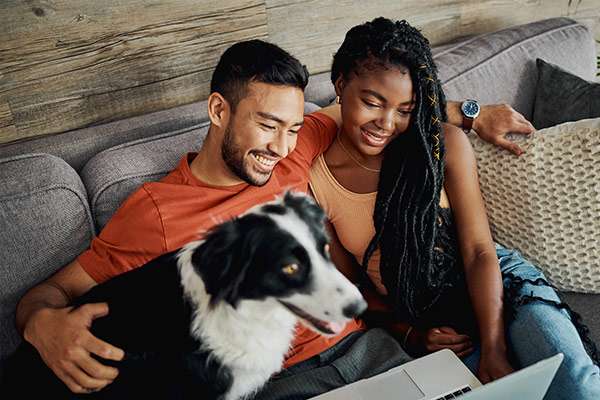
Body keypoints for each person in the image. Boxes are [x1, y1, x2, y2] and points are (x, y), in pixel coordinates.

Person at [12, 38, 533, 397]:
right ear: (219, 111)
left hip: (370, 348)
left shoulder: (295, 147)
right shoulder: (155, 211)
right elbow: (52, 291)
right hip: (281, 380)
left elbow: (384, 108)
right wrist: (42, 324)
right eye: (267, 126)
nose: (282, 147)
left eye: (291, 128)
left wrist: (469, 112)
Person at [307, 17, 600, 399]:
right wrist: (410, 334)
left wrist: (494, 346)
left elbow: (479, 250)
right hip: (423, 315)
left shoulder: (440, 145)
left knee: (575, 383)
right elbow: (352, 288)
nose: (387, 122)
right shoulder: (316, 179)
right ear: (341, 85)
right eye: (372, 103)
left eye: (405, 109)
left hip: (498, 284)